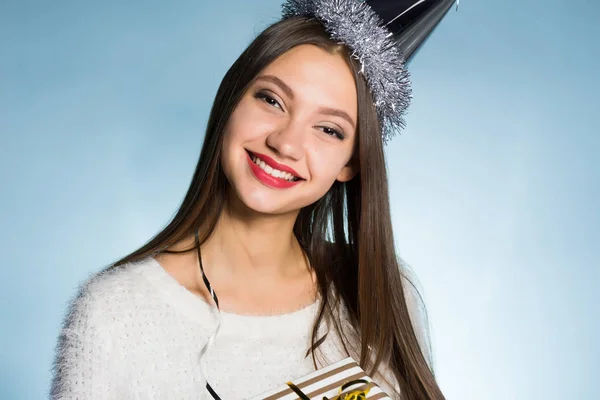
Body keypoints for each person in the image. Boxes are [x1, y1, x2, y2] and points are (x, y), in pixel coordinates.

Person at [50, 1, 455, 399]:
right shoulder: (114, 315)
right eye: (272, 100)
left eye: (328, 129)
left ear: (351, 163)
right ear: (232, 101)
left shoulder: (384, 291)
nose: (286, 143)